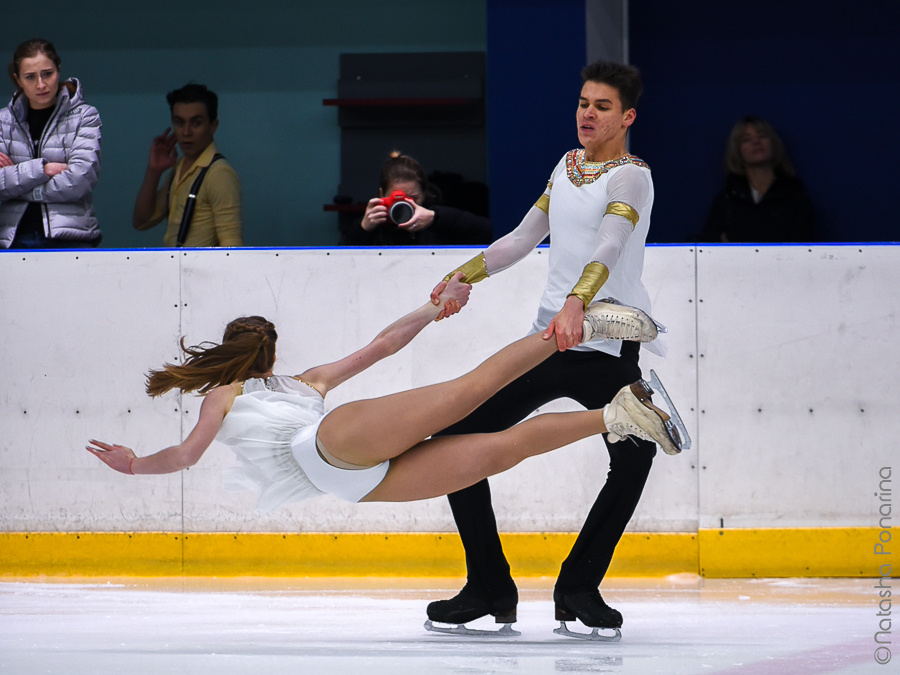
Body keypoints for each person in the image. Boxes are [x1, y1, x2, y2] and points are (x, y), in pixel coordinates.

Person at [423, 59, 670, 639]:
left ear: (627, 117)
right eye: (583, 103)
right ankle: (488, 585)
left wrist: (578, 302)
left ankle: (579, 587)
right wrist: (462, 276)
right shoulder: (566, 167)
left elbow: (610, 244)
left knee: (635, 456)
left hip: (607, 345)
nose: (588, 113)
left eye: (602, 106)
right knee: (455, 444)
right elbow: (520, 239)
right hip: (548, 342)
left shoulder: (631, 177)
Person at [86, 283, 681, 515]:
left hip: (336, 462)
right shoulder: (302, 382)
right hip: (347, 470)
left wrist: (134, 465)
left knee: (484, 419)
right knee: (491, 435)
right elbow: (381, 346)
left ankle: (591, 335)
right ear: (269, 352)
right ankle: (616, 401)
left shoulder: (229, 393)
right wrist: (430, 308)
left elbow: (186, 456)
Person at [0, 38, 102, 249]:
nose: (41, 84)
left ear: (59, 69)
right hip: (13, 240)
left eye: (47, 74)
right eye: (30, 77)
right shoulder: (3, 122)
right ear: (18, 79)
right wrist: (42, 169)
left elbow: (79, 181)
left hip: (72, 238)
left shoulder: (85, 116)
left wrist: (19, 184)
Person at [132, 83, 242, 247]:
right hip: (175, 263)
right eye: (179, 122)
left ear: (212, 126)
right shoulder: (179, 168)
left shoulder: (219, 173)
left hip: (202, 264)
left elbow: (231, 246)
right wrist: (154, 171)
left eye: (196, 123)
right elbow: (141, 222)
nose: (186, 132)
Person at [701, 115, 815, 243]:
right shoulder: (727, 199)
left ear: (773, 144)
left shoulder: (794, 195)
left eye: (762, 136)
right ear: (737, 151)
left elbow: (802, 244)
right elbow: (711, 245)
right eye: (746, 139)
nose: (756, 142)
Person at [340, 151, 492, 246]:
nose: (405, 204)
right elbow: (338, 262)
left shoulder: (436, 222)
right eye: (397, 199)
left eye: (413, 198)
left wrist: (435, 219)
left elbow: (485, 232)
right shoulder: (374, 226)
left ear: (424, 194)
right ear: (382, 195)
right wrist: (362, 229)